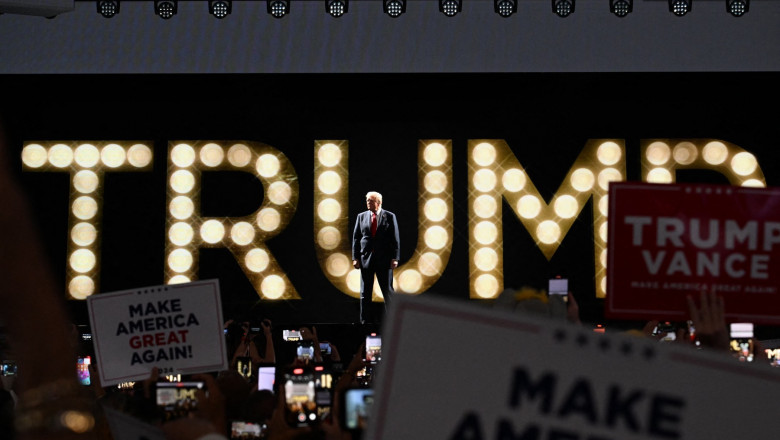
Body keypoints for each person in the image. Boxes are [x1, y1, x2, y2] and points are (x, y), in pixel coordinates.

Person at [351, 191, 400, 325]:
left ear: (378, 203)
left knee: (387, 291)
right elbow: (356, 238)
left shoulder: (389, 216)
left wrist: (395, 258)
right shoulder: (361, 217)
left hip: (384, 260)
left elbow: (395, 238)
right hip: (366, 259)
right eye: (367, 200)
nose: (367, 203)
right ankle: (364, 321)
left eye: (370, 201)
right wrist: (355, 257)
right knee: (365, 292)